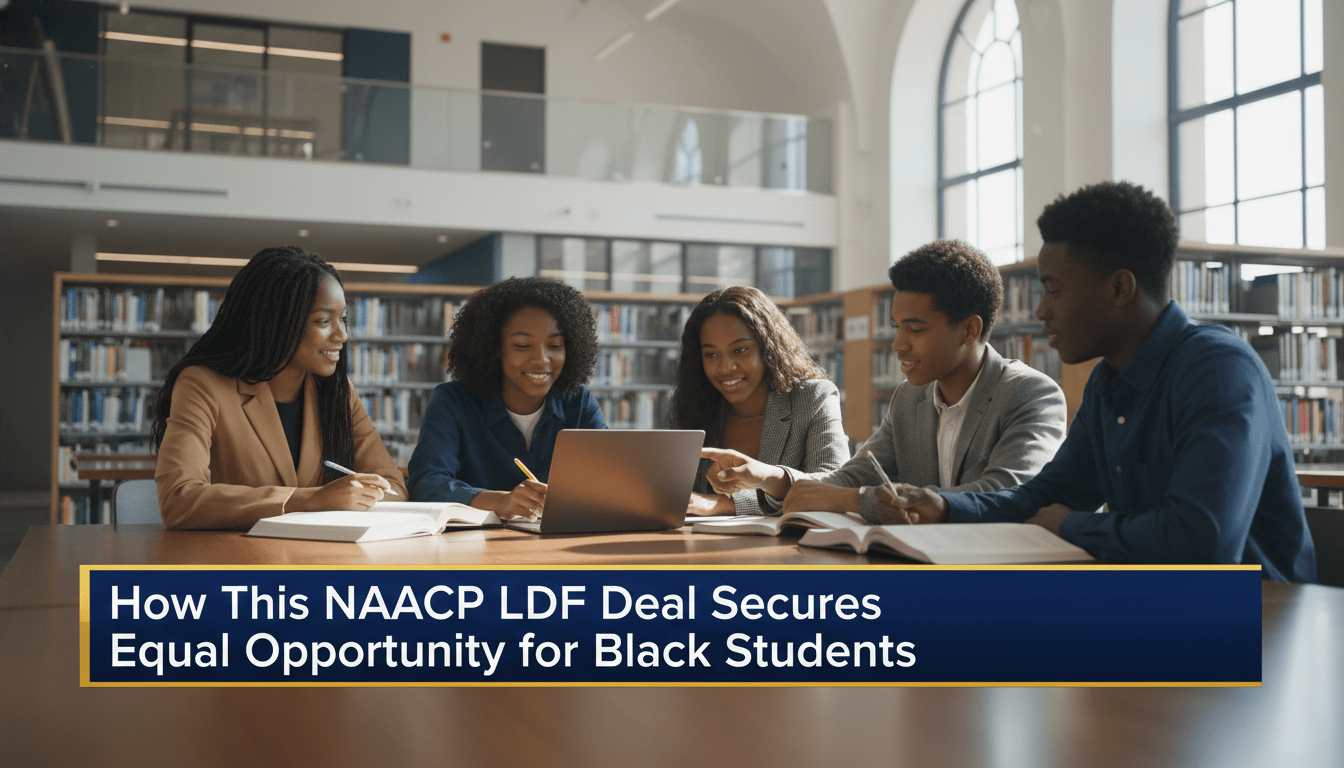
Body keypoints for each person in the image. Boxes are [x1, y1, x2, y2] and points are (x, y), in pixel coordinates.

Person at [886, 182, 1317, 582]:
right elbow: (1053, 491)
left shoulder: (1218, 371)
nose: (1041, 312)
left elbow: (1203, 540)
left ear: (1119, 289)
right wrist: (945, 506)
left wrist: (1070, 525)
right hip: (1161, 601)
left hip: (1259, 617)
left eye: (1053, 290)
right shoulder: (1108, 381)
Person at [702, 241, 1066, 522]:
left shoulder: (1031, 395)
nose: (897, 344)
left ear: (969, 329)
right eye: (896, 327)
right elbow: (850, 477)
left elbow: (1001, 493)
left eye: (915, 329)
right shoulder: (910, 398)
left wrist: (856, 501)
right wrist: (771, 478)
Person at [153, 247, 403, 530]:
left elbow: (393, 487)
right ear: (277, 322)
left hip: (320, 560)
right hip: (235, 562)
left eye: (342, 319)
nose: (342, 335)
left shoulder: (338, 392)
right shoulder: (202, 384)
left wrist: (359, 497)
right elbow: (179, 499)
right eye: (323, 321)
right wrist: (308, 500)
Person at [408, 276, 606, 518]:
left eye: (555, 346)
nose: (542, 360)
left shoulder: (579, 403)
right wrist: (500, 502)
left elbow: (610, 483)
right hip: (475, 549)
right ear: (494, 348)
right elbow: (426, 485)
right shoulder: (453, 402)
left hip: (559, 547)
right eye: (522, 346)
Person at [670, 286, 849, 516]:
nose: (726, 367)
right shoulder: (696, 404)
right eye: (711, 355)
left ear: (768, 348)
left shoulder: (813, 398)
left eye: (740, 350)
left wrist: (725, 504)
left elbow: (835, 485)